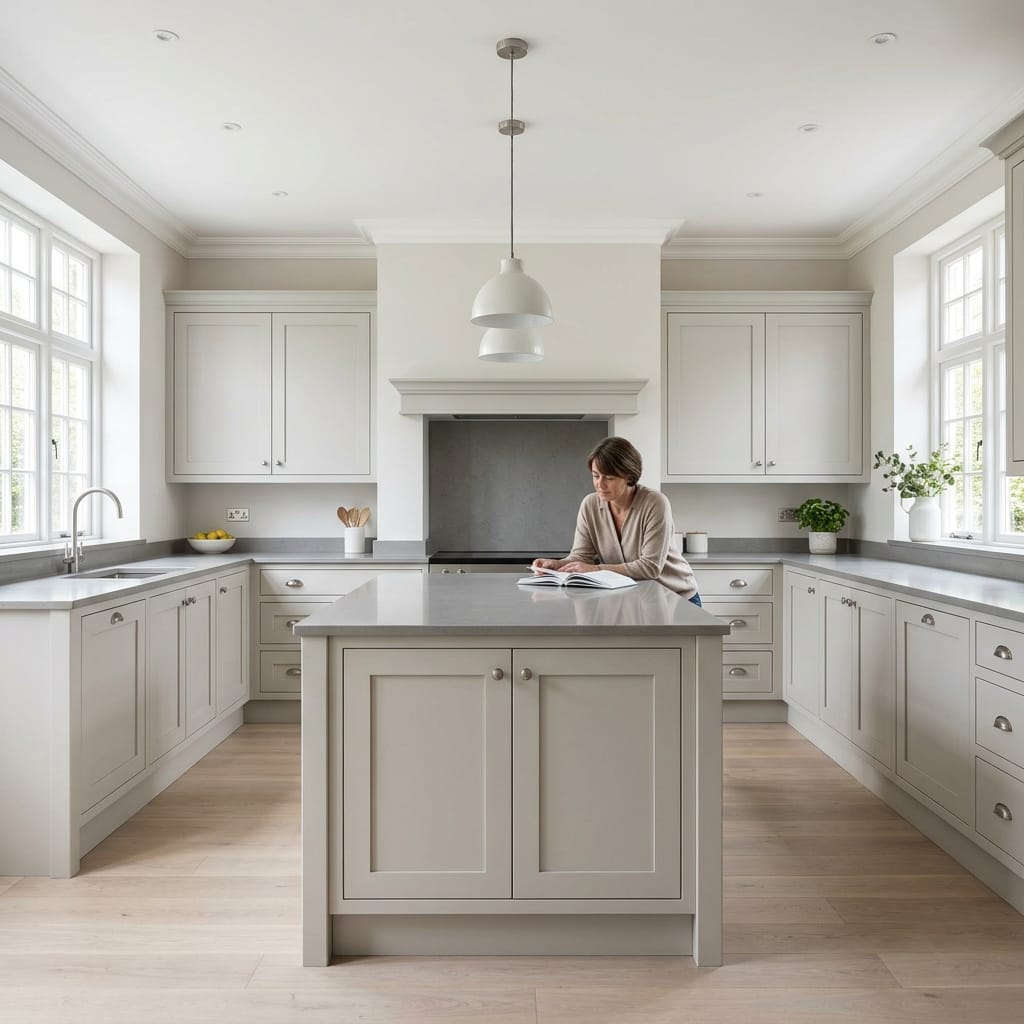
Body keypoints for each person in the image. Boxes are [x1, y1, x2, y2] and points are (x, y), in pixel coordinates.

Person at [532, 436, 702, 605]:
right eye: (596, 476)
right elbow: (581, 556)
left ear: (628, 476)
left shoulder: (655, 503)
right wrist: (556, 565)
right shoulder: (589, 505)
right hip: (635, 600)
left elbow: (650, 567)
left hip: (677, 597)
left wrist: (595, 569)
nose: (600, 484)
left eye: (609, 478)